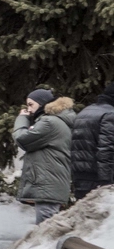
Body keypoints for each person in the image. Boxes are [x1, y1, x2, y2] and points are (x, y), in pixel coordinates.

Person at [14, 88, 76, 224]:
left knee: (46, 226)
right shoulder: (55, 120)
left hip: (48, 183)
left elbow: (22, 139)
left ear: (41, 103)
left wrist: (22, 119)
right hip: (50, 181)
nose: (28, 109)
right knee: (48, 225)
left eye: (31, 104)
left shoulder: (49, 122)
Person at [71, 83, 114, 199]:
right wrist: (107, 183)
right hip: (99, 179)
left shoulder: (85, 112)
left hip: (80, 176)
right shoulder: (110, 114)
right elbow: (107, 149)